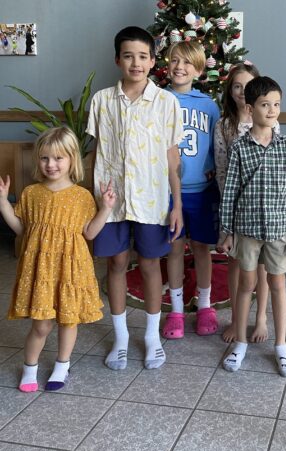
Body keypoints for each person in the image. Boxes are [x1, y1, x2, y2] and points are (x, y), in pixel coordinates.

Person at [86, 26, 184, 370]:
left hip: (152, 200)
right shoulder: (101, 101)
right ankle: (121, 336)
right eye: (128, 55)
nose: (136, 62)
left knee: (149, 264)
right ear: (117, 60)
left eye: (143, 56)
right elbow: (96, 153)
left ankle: (152, 336)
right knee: (115, 263)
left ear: (153, 61)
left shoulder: (167, 103)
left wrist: (177, 205)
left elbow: (173, 159)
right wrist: (92, 201)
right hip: (110, 201)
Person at [0, 127, 116, 392]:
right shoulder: (31, 193)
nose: (51, 164)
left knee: (68, 320)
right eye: (44, 158)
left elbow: (89, 232)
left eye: (58, 158)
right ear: (37, 160)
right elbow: (21, 230)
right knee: (41, 326)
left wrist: (106, 209)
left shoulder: (82, 196)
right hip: (40, 269)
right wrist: (3, 203)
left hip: (71, 268)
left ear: (72, 159)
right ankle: (30, 367)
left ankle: (62, 365)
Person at [219, 76, 286, 377]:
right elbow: (230, 191)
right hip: (247, 230)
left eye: (277, 104)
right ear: (250, 107)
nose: (272, 110)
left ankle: (280, 346)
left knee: (278, 285)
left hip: (279, 231)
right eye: (265, 104)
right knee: (246, 285)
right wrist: (226, 231)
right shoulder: (240, 148)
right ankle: (240, 342)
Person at [162, 41, 221, 339]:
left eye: (187, 62)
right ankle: (174, 310)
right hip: (168, 191)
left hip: (202, 190)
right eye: (174, 60)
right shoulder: (158, 100)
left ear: (199, 70)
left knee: (201, 249)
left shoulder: (209, 105)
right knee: (173, 247)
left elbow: (217, 143)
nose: (179, 67)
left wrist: (213, 167)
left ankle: (206, 305)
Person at [214, 62, 275, 344]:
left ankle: (260, 317)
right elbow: (222, 169)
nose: (242, 91)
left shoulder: (269, 120)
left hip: (264, 210)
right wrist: (232, 211)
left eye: (247, 86)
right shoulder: (224, 125)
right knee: (236, 265)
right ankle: (236, 319)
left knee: (262, 267)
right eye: (237, 86)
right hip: (236, 208)